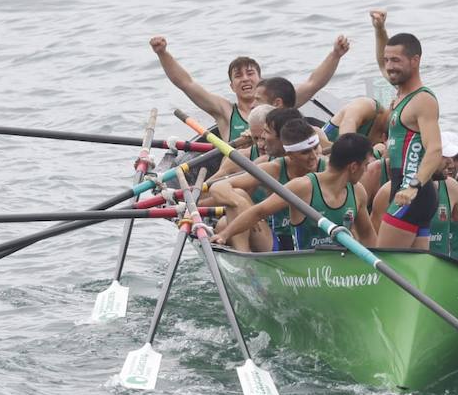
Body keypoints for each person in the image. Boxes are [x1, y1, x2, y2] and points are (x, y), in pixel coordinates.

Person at [148, 35, 350, 142]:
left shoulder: (279, 103)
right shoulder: (225, 111)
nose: (245, 79)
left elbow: (314, 83)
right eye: (238, 76)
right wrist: (163, 54)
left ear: (260, 78)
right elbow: (186, 83)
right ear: (231, 86)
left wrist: (335, 54)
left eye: (250, 73)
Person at [215, 133, 377, 250]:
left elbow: (367, 234)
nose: (366, 170)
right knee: (223, 224)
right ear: (354, 167)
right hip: (304, 268)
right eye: (365, 165)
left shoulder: (358, 191)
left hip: (340, 266)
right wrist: (224, 235)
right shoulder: (302, 186)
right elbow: (259, 211)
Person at [369, 11, 444, 250]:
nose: (389, 67)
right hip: (408, 193)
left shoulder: (423, 100)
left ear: (415, 61)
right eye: (387, 60)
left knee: (388, 267)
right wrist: (380, 29)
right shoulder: (401, 92)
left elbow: (434, 151)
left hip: (411, 193)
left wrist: (413, 187)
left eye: (396, 61)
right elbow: (383, 63)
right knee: (412, 271)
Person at [206, 117, 324, 251]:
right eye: (306, 152)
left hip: (316, 242)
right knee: (236, 198)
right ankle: (244, 258)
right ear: (290, 154)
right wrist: (239, 202)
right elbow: (218, 186)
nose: (314, 156)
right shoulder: (274, 168)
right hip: (277, 243)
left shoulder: (328, 168)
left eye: (316, 148)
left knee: (223, 223)